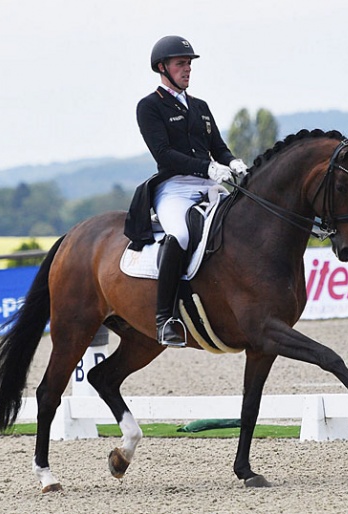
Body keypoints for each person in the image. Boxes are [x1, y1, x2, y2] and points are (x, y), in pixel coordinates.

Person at [124, 35, 248, 347]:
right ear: (162, 67)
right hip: (174, 189)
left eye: (189, 63)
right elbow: (163, 153)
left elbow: (218, 147)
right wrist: (206, 168)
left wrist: (234, 162)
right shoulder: (150, 107)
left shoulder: (200, 107)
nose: (187, 69)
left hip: (209, 186)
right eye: (181, 63)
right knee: (178, 235)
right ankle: (164, 318)